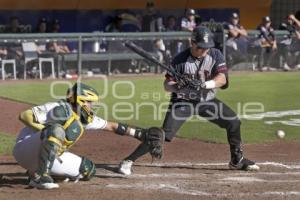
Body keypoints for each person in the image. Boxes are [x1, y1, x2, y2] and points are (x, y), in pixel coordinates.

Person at [118, 26, 259, 176]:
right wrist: (179, 86)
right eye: (201, 47)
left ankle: (237, 160)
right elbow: (167, 86)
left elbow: (222, 79)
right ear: (192, 43)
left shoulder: (216, 54)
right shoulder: (180, 60)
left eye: (207, 47)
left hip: (206, 100)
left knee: (233, 122)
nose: (204, 51)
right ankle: (128, 161)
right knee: (163, 135)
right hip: (183, 102)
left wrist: (204, 84)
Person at [13, 82, 164, 189]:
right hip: (24, 149)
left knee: (88, 170)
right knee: (56, 130)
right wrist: (47, 131)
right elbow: (24, 116)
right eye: (89, 102)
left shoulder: (83, 118)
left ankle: (33, 172)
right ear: (80, 100)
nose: (91, 106)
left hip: (43, 155)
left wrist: (139, 134)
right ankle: (40, 177)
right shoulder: (58, 108)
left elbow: (111, 126)